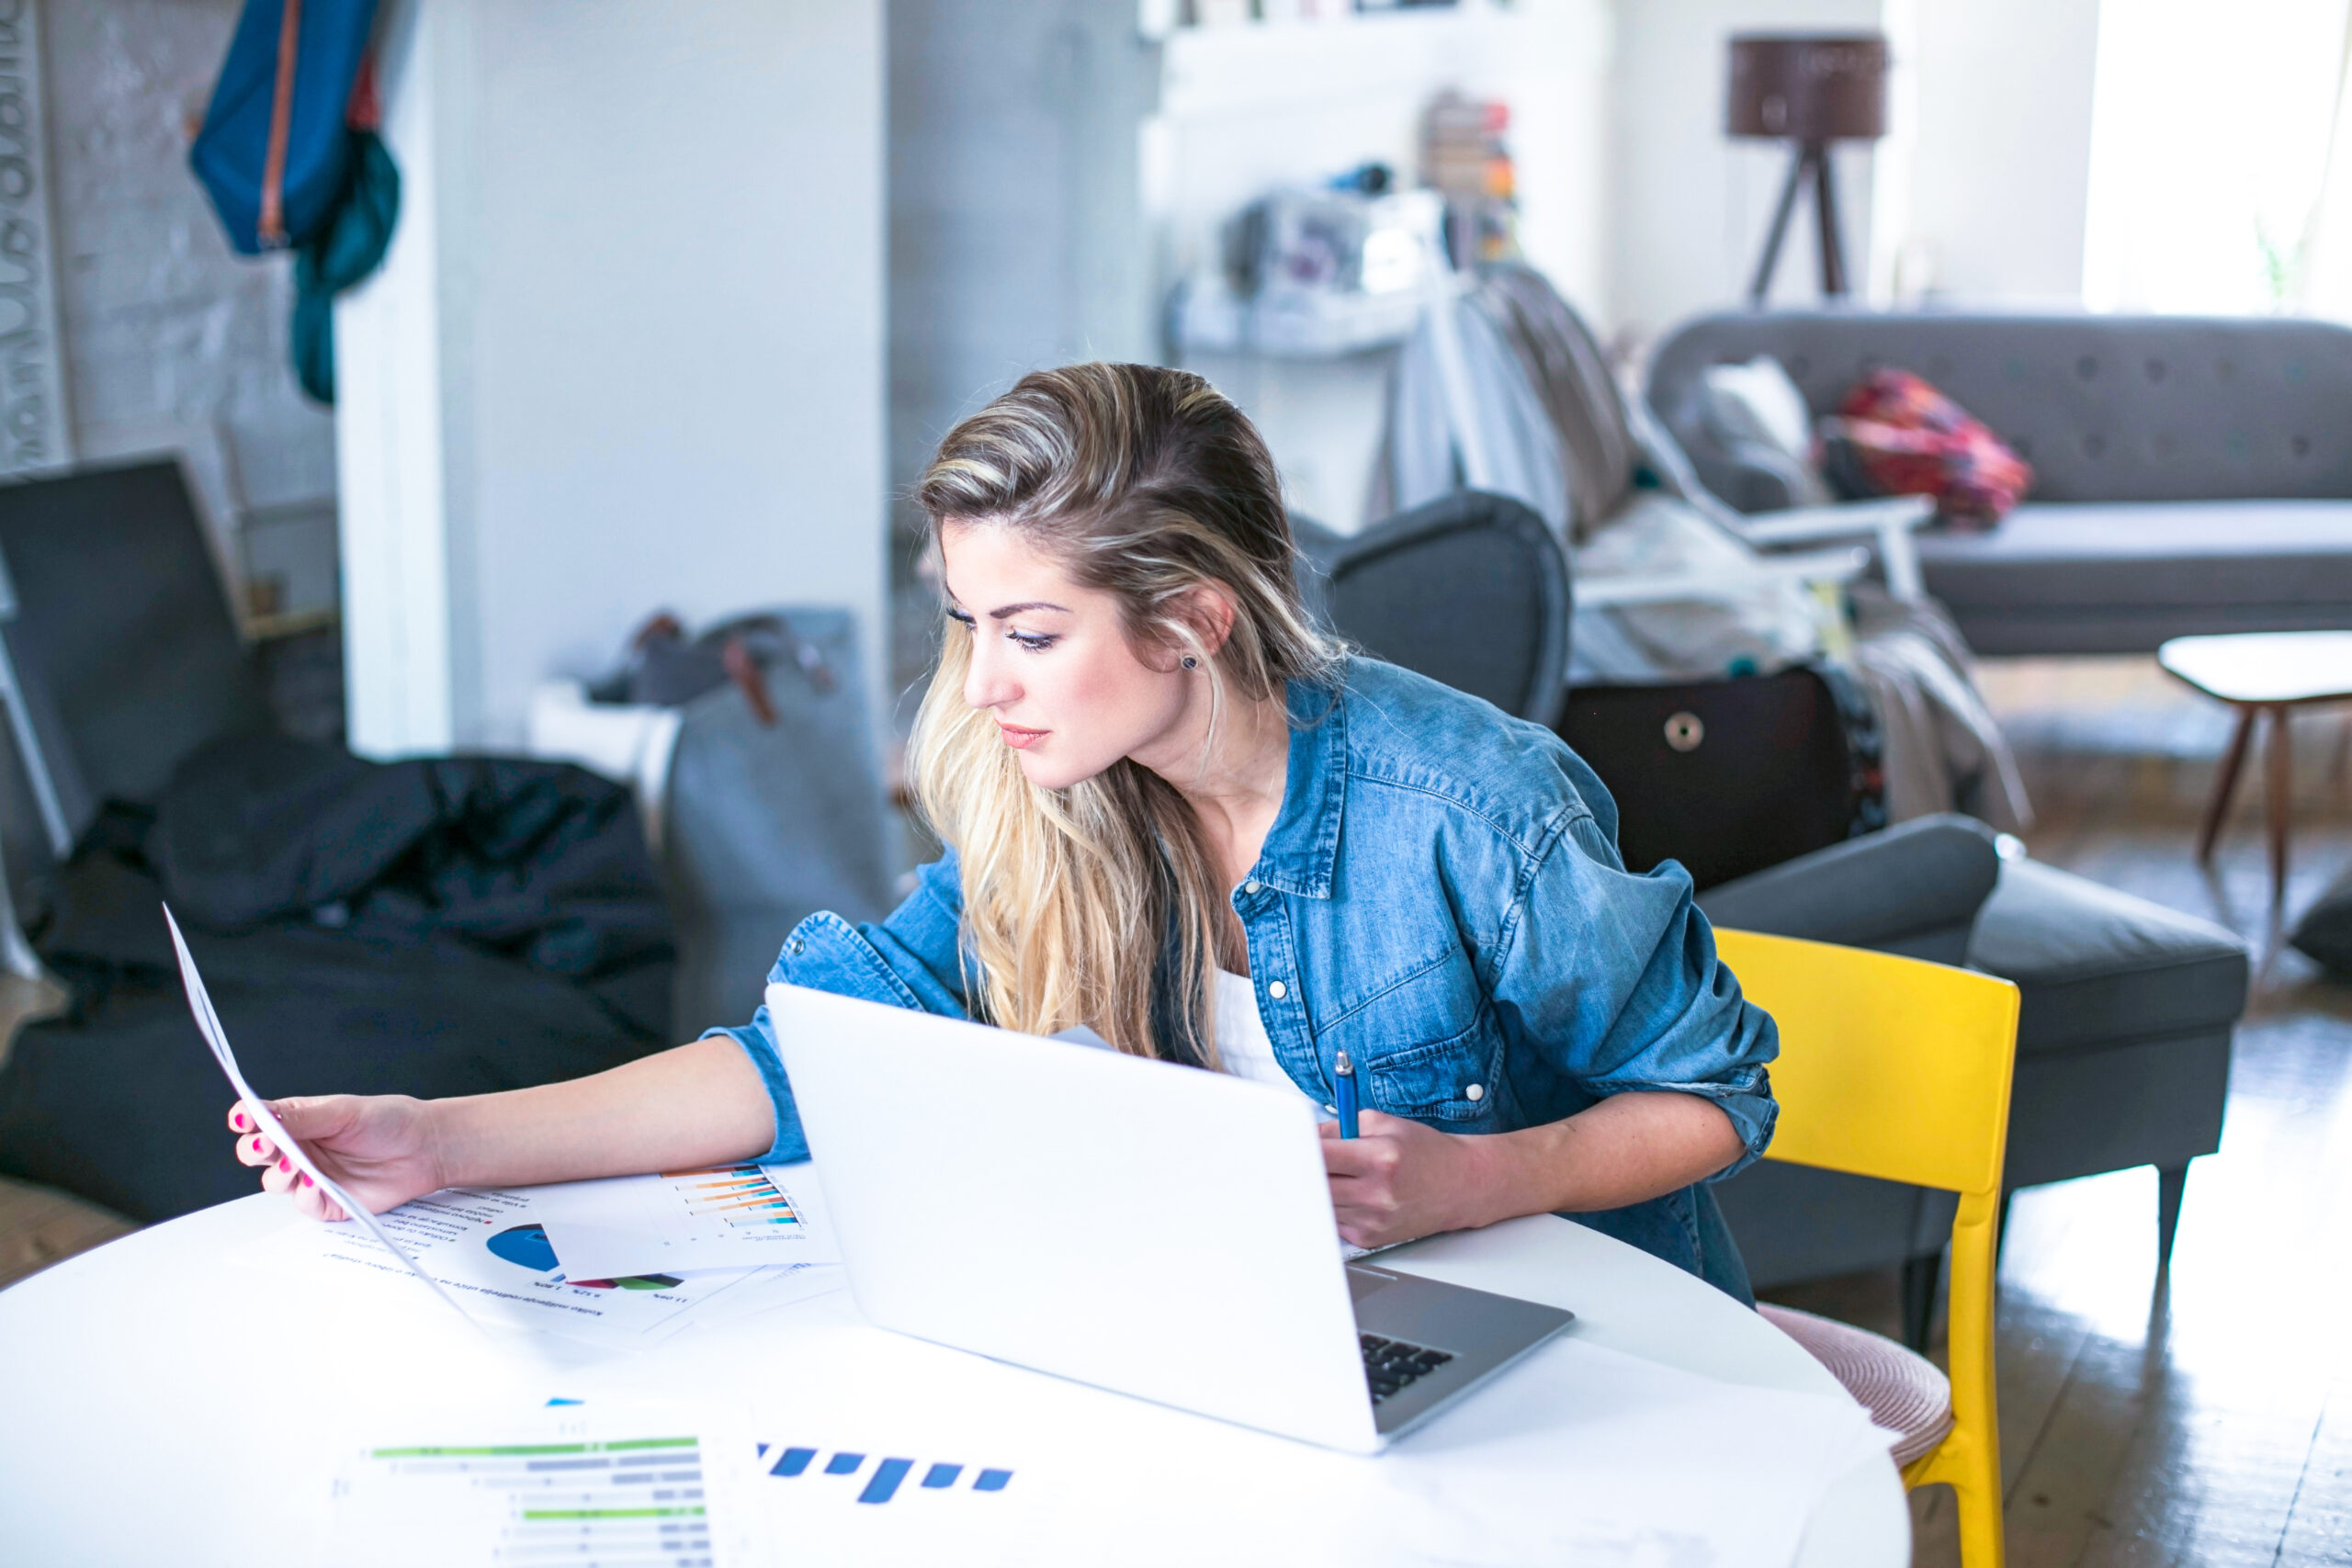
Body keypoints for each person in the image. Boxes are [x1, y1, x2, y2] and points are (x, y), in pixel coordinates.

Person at [227, 363, 1777, 1301]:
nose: (982, 685)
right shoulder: (1059, 803)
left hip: (1571, 1344)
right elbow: (807, 1058)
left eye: (1030, 632)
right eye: (967, 621)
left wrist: (1474, 1180)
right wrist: (441, 1141)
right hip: (1267, 1330)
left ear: (1192, 621)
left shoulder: (1473, 809)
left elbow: (1715, 1095)